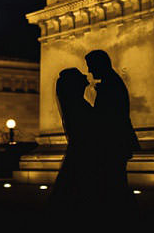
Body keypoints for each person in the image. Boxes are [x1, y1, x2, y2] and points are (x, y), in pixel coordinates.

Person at [85, 49, 140, 218]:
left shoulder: (110, 85)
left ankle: (118, 214)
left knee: (114, 180)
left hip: (112, 141)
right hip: (116, 140)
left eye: (91, 66)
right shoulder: (111, 82)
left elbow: (105, 117)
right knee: (115, 179)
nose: (89, 71)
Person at [50, 68, 102, 209]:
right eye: (80, 76)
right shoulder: (77, 105)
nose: (86, 75)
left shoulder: (75, 104)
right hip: (86, 151)